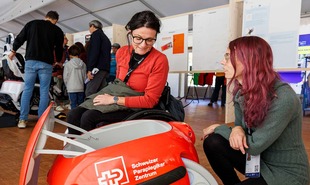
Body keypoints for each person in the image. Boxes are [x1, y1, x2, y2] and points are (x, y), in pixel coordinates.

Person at [202, 36, 309, 185]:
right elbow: (240, 126)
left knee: (217, 133)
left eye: (228, 57)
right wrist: (237, 129)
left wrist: (220, 128)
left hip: (285, 175)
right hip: (259, 161)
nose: (222, 62)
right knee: (213, 142)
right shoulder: (242, 93)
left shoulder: (284, 97)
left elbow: (253, 146)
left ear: (249, 61)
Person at [67, 10, 169, 135]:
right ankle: (76, 152)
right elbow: (118, 83)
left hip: (137, 104)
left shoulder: (159, 60)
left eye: (149, 40)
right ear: (130, 33)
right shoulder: (122, 52)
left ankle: (93, 154)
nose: (143, 45)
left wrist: (114, 100)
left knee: (89, 117)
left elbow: (150, 100)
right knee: (73, 114)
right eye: (138, 38)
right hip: (117, 94)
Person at [8, 11, 64, 128]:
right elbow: (59, 48)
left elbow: (20, 38)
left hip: (31, 61)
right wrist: (58, 60)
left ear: (46, 17)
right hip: (46, 64)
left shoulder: (32, 24)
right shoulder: (57, 30)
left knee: (27, 89)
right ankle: (41, 121)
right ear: (55, 20)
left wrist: (13, 51)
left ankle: (22, 120)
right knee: (44, 91)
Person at [85, 20, 111, 97]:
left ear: (93, 26)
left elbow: (94, 52)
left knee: (90, 92)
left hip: (97, 68)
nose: (89, 29)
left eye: (90, 27)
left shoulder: (95, 35)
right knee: (100, 93)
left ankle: (88, 108)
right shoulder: (105, 37)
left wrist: (90, 69)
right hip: (105, 68)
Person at [63, 44, 86, 109]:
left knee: (73, 105)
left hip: (71, 88)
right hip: (81, 87)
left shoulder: (68, 64)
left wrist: (67, 86)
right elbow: (85, 77)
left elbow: (65, 77)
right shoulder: (83, 64)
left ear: (70, 54)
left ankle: (73, 118)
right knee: (80, 105)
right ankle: (80, 117)